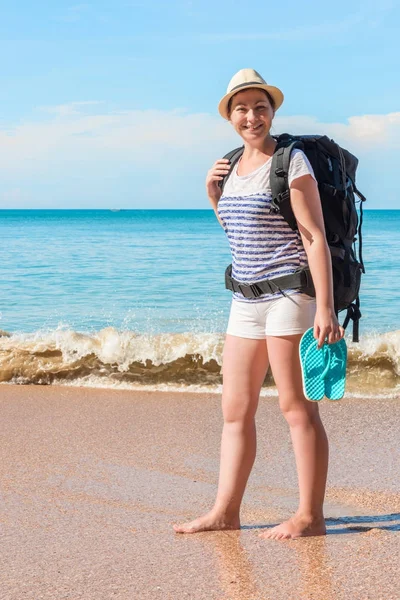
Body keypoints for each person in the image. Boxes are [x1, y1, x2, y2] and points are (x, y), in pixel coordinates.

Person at [173, 68, 344, 540]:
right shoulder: (227, 167)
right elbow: (242, 238)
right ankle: (225, 512)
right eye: (242, 108)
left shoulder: (293, 162)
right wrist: (212, 196)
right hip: (244, 300)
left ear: (273, 111)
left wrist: (325, 308)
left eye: (261, 107)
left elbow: (313, 238)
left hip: (290, 295)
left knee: (296, 408)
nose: (253, 116)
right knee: (235, 408)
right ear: (230, 116)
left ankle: (310, 516)